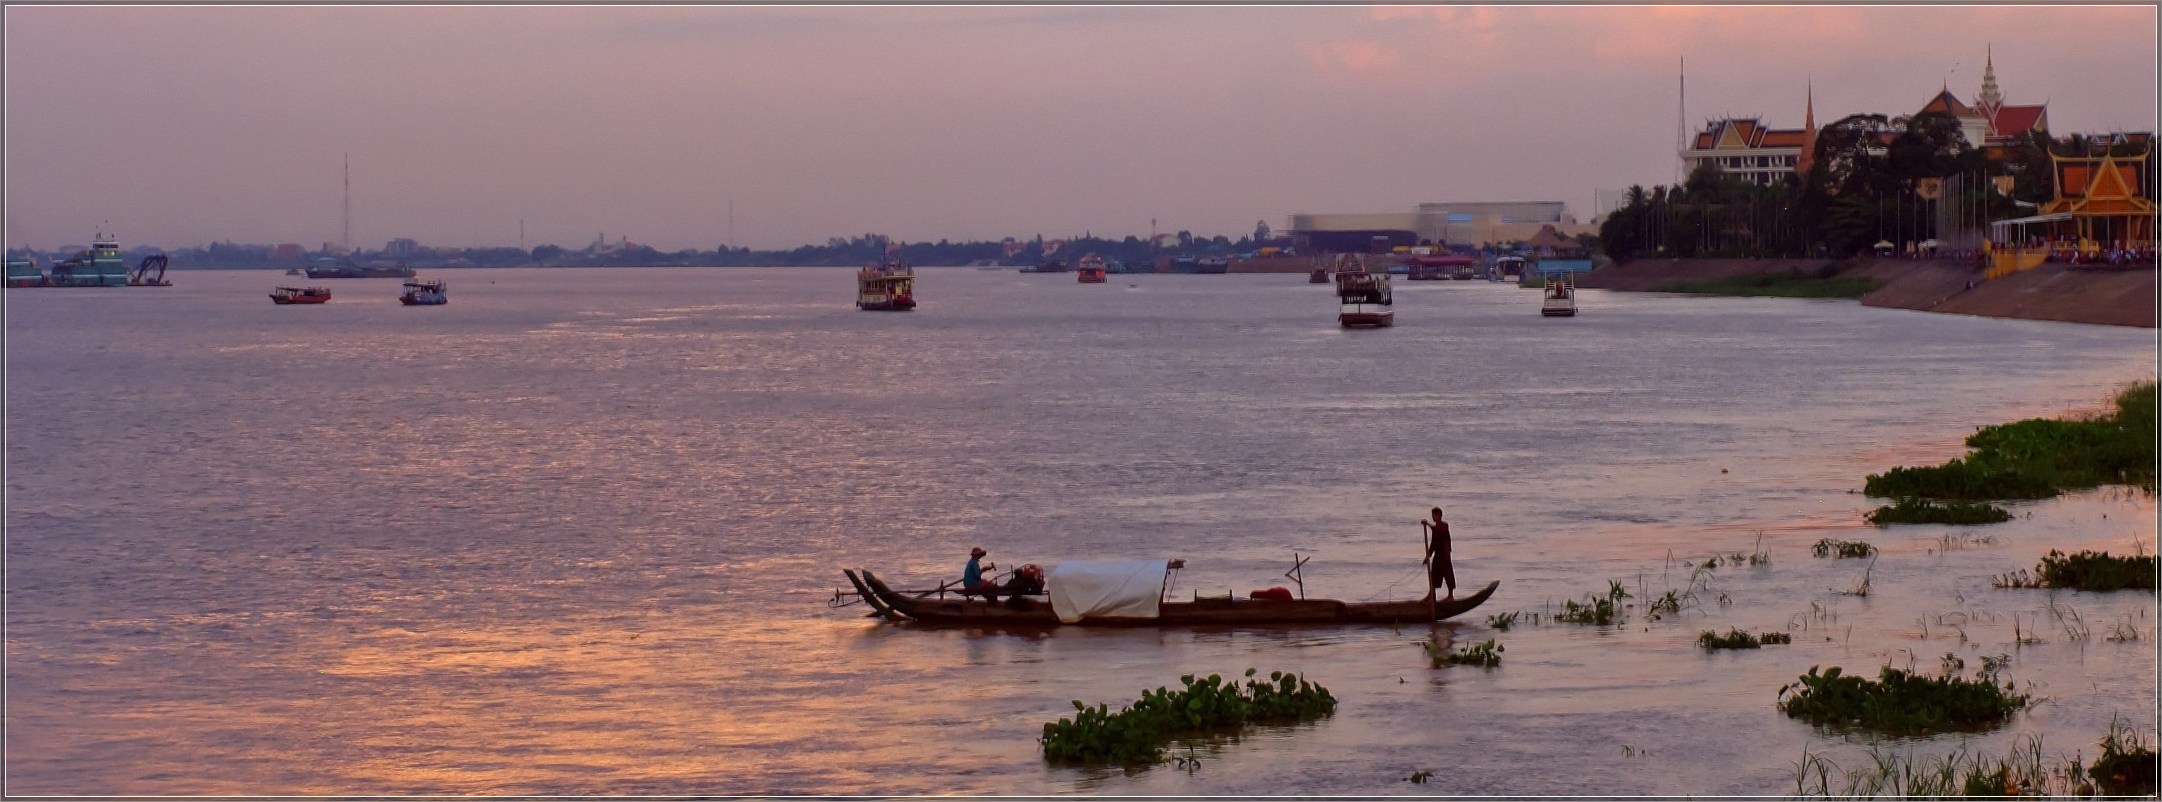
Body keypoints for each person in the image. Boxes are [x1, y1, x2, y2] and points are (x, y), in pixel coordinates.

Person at [1421, 507, 1456, 602]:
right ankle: (1431, 595)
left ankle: (1450, 596)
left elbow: (1439, 530)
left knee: (1448, 574)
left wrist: (1427, 524)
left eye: (1435, 515)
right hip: (1438, 555)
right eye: (1433, 515)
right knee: (1434, 575)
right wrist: (1427, 557)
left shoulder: (1444, 526)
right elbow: (1433, 544)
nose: (1433, 517)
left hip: (1445, 555)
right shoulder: (1435, 528)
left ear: (1440, 516)